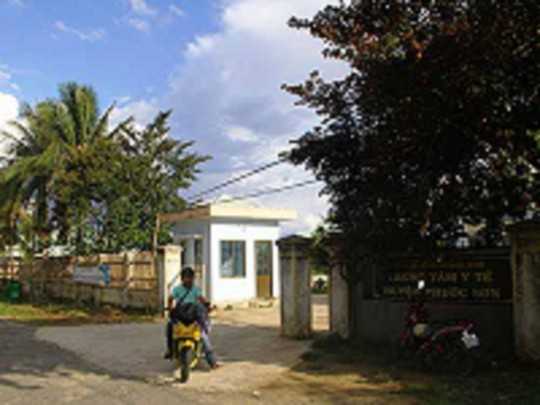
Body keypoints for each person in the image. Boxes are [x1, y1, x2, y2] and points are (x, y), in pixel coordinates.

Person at [164, 267, 219, 369]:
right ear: (182, 278)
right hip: (181, 316)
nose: (189, 280)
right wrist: (170, 308)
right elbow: (170, 298)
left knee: (203, 335)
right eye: (186, 277)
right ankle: (170, 350)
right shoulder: (177, 289)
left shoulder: (195, 289)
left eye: (190, 277)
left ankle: (212, 361)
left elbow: (202, 299)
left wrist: (208, 306)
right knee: (170, 327)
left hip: (193, 317)